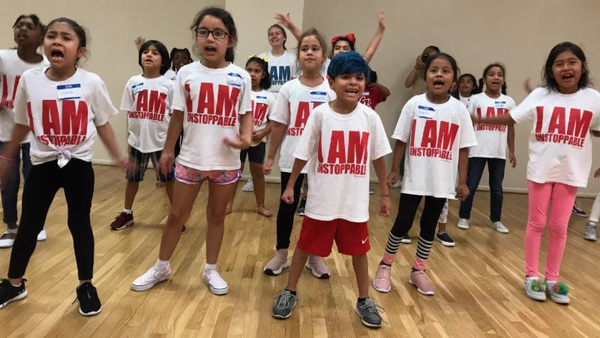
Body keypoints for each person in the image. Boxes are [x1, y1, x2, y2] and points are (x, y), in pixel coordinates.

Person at [0, 17, 127, 315]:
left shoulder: (91, 82)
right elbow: (20, 124)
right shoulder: (30, 80)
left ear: (80, 50)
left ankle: (85, 285)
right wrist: (6, 159)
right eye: (52, 36)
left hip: (79, 165)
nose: (57, 41)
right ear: (44, 44)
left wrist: (119, 156)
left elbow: (103, 123)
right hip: (42, 163)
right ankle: (15, 283)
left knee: (79, 224)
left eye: (66, 37)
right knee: (29, 226)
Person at [131, 7, 253, 296]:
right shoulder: (185, 73)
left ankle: (211, 269)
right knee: (176, 215)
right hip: (190, 159)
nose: (210, 39)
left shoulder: (241, 76)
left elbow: (245, 114)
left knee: (216, 216)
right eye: (203, 32)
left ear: (230, 40)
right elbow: (177, 115)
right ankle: (162, 266)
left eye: (218, 33)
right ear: (196, 37)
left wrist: (247, 137)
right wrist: (167, 150)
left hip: (226, 162)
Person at [473, 42, 600, 304]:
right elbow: (511, 118)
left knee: (559, 226)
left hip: (571, 171)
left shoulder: (593, 98)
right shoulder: (541, 95)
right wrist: (478, 119)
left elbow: (595, 128)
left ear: (583, 66)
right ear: (551, 70)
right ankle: (532, 276)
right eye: (558, 63)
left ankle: (552, 279)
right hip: (541, 169)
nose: (566, 68)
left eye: (571, 62)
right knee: (537, 223)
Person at [271, 51, 391, 328]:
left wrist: (384, 194)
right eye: (346, 77)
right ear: (331, 81)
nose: (353, 83)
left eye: (359, 78)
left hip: (354, 202)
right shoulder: (320, 115)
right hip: (322, 200)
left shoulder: (370, 118)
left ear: (365, 83)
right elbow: (303, 152)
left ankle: (364, 299)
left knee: (359, 252)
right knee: (304, 246)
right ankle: (289, 291)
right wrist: (290, 184)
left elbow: (379, 157)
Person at [372, 53, 477, 296]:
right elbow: (401, 141)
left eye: (446, 71)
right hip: (414, 179)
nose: (439, 74)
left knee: (429, 225)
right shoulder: (414, 104)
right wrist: (395, 169)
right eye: (434, 70)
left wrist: (462, 181)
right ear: (426, 76)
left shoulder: (459, 110)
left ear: (453, 79)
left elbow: (464, 148)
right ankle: (385, 265)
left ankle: (418, 271)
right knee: (403, 222)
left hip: (441, 181)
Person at [262, 28, 335, 277]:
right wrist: (271, 156)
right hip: (292, 158)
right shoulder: (289, 89)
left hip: (322, 161)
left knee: (318, 209)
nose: (309, 53)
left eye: (315, 48)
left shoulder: (331, 90)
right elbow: (280, 124)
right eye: (304, 49)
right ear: (298, 56)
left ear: (324, 56)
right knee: (287, 208)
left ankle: (314, 256)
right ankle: (281, 253)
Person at [109, 40, 176, 231]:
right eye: (145, 52)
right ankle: (127, 212)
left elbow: (176, 116)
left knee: (169, 180)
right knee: (132, 179)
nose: (148, 55)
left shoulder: (169, 85)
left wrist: (171, 146)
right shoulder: (133, 82)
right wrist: (128, 142)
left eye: (155, 53)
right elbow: (129, 113)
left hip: (161, 142)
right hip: (137, 142)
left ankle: (175, 215)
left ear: (163, 60)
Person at [0, 14, 49, 248]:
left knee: (34, 182)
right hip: (5, 133)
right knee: (8, 182)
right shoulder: (2, 57)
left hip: (34, 134)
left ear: (40, 35)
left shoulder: (46, 65)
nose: (22, 29)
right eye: (18, 25)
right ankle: (11, 227)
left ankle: (36, 225)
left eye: (29, 27)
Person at [456, 64, 516, 233]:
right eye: (491, 74)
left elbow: (511, 128)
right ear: (484, 79)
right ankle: (464, 216)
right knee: (471, 185)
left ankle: (496, 219)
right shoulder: (476, 99)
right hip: (477, 150)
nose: (496, 77)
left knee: (497, 188)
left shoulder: (509, 101)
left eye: (499, 74)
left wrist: (511, 150)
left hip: (498, 152)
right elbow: (467, 124)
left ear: (503, 79)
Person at [243, 23, 297, 193]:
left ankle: (289, 179)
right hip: (264, 102)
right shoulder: (262, 57)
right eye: (271, 34)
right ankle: (255, 176)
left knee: (284, 143)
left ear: (284, 37)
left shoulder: (292, 58)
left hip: (284, 103)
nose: (274, 36)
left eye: (277, 33)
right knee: (259, 138)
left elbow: (295, 82)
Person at [226, 56, 274, 217]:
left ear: (264, 74)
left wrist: (263, 133)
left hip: (257, 141)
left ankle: (260, 205)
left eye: (257, 71)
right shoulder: (238, 93)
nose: (252, 74)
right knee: (235, 171)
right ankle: (228, 203)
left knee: (257, 172)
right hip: (238, 139)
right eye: (249, 70)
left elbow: (275, 121)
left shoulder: (269, 97)